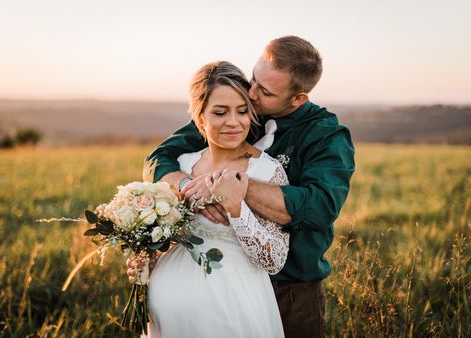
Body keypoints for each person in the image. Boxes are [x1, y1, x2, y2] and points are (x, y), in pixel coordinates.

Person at [143, 35, 355, 338]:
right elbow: (158, 159)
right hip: (210, 284)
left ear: (298, 99)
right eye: (253, 79)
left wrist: (231, 185)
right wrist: (189, 185)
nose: (251, 93)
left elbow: (318, 207)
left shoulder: (326, 136)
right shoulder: (237, 110)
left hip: (290, 287)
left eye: (264, 91)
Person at [142, 61, 291, 337]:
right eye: (220, 112)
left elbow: (274, 260)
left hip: (236, 306)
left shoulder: (267, 170)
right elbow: (166, 237)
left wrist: (236, 208)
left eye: (242, 111)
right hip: (169, 306)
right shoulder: (182, 166)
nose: (234, 122)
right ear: (200, 119)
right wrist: (145, 257)